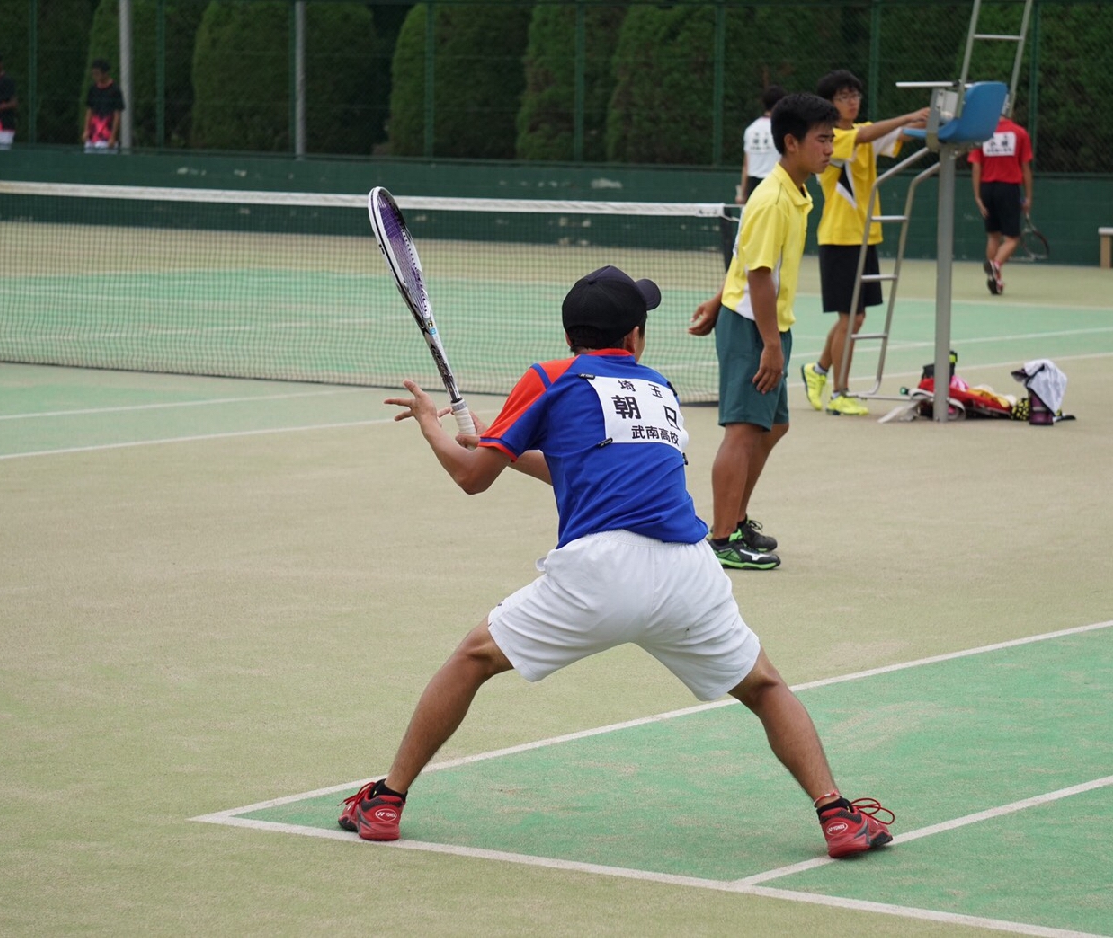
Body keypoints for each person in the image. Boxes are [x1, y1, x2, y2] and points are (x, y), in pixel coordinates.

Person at [337, 264, 895, 861]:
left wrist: (434, 429)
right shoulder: (659, 388)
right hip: (688, 572)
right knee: (764, 686)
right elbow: (582, 469)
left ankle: (386, 800)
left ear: (571, 334)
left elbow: (473, 481)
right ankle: (837, 815)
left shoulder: (550, 375)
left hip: (600, 575)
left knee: (472, 659)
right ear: (633, 337)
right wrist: (502, 444)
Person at [689, 93, 838, 570]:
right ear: (791, 143)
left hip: (768, 321)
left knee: (773, 426)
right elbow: (757, 273)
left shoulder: (797, 191)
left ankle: (734, 515)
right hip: (754, 326)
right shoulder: (773, 198)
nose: (830, 148)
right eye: (821, 139)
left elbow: (743, 251)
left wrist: (717, 298)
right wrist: (770, 344)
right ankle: (722, 537)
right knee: (744, 429)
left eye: (831, 138)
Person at [801, 70, 927, 417]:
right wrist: (906, 116)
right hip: (839, 238)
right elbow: (868, 135)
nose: (852, 101)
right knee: (851, 317)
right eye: (843, 96)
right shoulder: (828, 139)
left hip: (865, 235)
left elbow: (897, 135)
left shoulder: (866, 133)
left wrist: (937, 124)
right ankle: (840, 392)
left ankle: (819, 371)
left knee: (854, 319)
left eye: (855, 94)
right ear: (829, 104)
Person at [968, 111, 1033, 296]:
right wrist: (1028, 197)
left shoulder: (983, 133)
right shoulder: (1020, 133)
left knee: (993, 236)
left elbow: (976, 166)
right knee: (1012, 239)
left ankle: (995, 281)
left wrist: (977, 196)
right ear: (1010, 111)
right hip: (1008, 189)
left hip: (987, 189)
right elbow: (1025, 168)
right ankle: (996, 265)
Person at [737, 85, 786, 205]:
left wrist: (743, 194)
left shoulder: (750, 130)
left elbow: (746, 166)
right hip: (775, 184)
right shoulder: (783, 129)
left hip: (753, 187)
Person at [83, 59, 124, 152]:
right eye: (93, 74)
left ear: (105, 73)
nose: (95, 76)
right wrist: (86, 130)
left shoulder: (115, 90)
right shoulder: (92, 89)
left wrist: (113, 137)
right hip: (92, 137)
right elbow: (89, 110)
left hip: (107, 137)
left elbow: (117, 114)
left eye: (97, 73)